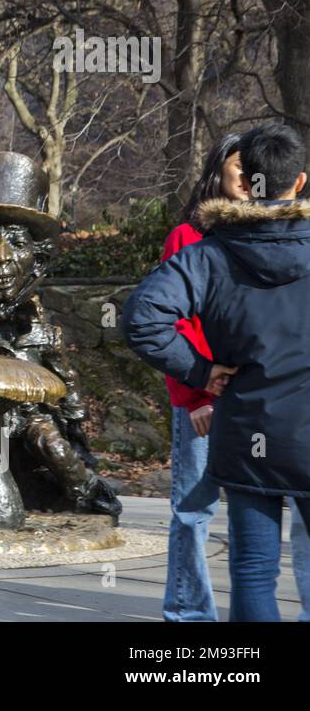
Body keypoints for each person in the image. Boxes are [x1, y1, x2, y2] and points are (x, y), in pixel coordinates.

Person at [123, 123, 310, 621]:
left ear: (248, 180)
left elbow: (142, 318)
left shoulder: (209, 254)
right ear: (301, 180)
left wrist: (201, 372)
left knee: (253, 568)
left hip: (251, 430)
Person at [154, 133, 246, 621]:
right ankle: (189, 615)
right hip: (202, 400)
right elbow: (170, 326)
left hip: (259, 397)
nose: (249, 178)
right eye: (239, 167)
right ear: (218, 171)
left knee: (260, 516)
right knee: (193, 513)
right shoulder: (185, 238)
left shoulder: (261, 234)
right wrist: (196, 396)